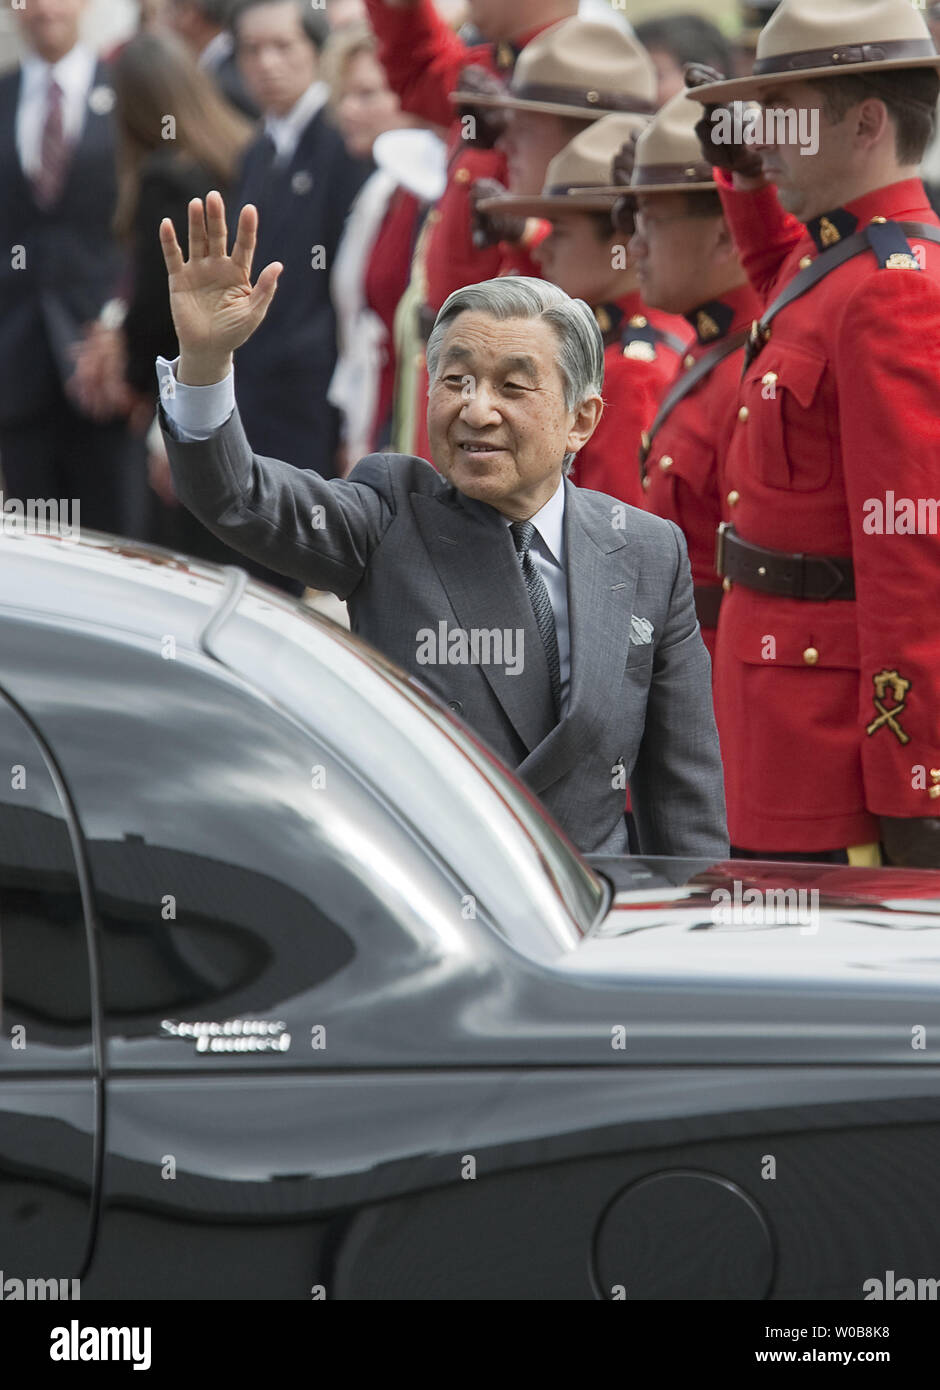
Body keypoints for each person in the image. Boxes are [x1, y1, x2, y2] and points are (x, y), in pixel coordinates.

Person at [153, 194, 729, 859]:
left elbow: (683, 801)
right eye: (455, 380)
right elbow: (238, 497)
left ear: (581, 419)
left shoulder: (649, 555)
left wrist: (685, 932)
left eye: (513, 388)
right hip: (439, 900)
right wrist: (204, 365)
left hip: (590, 916)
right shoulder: (390, 512)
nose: (476, 410)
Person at [686, 0, 940, 867]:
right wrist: (747, 183)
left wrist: (917, 784)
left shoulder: (895, 288)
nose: (767, 140)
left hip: (829, 750)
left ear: (866, 122)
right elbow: (786, 288)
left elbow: (912, 557)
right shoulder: (834, 260)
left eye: (785, 117)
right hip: (775, 711)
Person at [478, 112, 689, 509]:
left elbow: (612, 539)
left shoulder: (628, 373)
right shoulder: (631, 339)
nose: (540, 248)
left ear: (622, 242)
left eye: (559, 231)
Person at [615, 89, 760, 660]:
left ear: (725, 235)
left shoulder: (748, 368)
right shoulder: (713, 350)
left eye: (652, 219)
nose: (635, 245)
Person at [0, 0, 143, 538]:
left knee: (118, 542)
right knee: (36, 551)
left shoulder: (125, 93)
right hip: (16, 362)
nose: (42, 9)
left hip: (102, 361)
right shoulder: (4, 95)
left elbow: (148, 225)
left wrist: (129, 331)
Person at [226, 0, 370, 486]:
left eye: (283, 46)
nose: (267, 63)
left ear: (316, 51)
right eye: (252, 50)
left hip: (315, 398)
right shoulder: (256, 152)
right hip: (255, 393)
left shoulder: (341, 143)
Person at [324, 22, 424, 467]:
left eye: (366, 95)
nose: (347, 109)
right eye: (343, 94)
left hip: (405, 420)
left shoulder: (427, 194)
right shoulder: (382, 192)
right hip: (373, 415)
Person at [167, 0, 259, 117]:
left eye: (171, 10)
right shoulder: (217, 65)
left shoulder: (230, 78)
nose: (165, 21)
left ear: (191, 13)